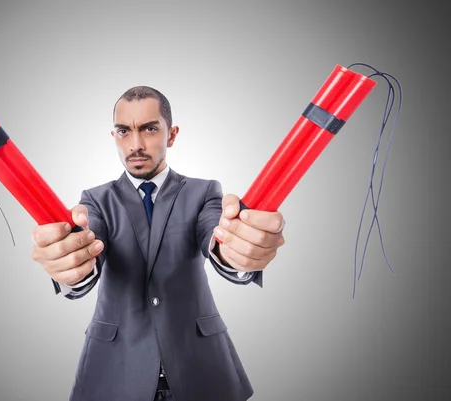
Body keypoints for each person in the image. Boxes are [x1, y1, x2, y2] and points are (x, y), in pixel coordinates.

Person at [31, 86, 286, 401]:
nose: (135, 145)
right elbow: (88, 246)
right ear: (114, 136)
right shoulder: (96, 200)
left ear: (172, 135)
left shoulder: (203, 192)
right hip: (116, 372)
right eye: (124, 131)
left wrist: (238, 251)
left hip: (199, 369)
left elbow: (217, 235)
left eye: (149, 129)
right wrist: (71, 265)